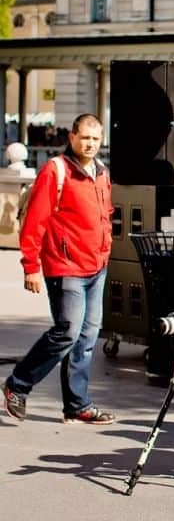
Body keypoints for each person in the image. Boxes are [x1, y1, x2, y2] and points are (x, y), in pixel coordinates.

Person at [3, 114, 116, 425]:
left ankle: (77, 404)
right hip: (65, 267)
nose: (90, 144)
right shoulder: (57, 170)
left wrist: (105, 252)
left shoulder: (102, 172)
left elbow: (105, 215)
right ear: (72, 137)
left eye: (96, 138)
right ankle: (17, 384)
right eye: (85, 138)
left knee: (87, 338)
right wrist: (31, 267)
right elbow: (35, 221)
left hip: (96, 267)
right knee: (67, 332)